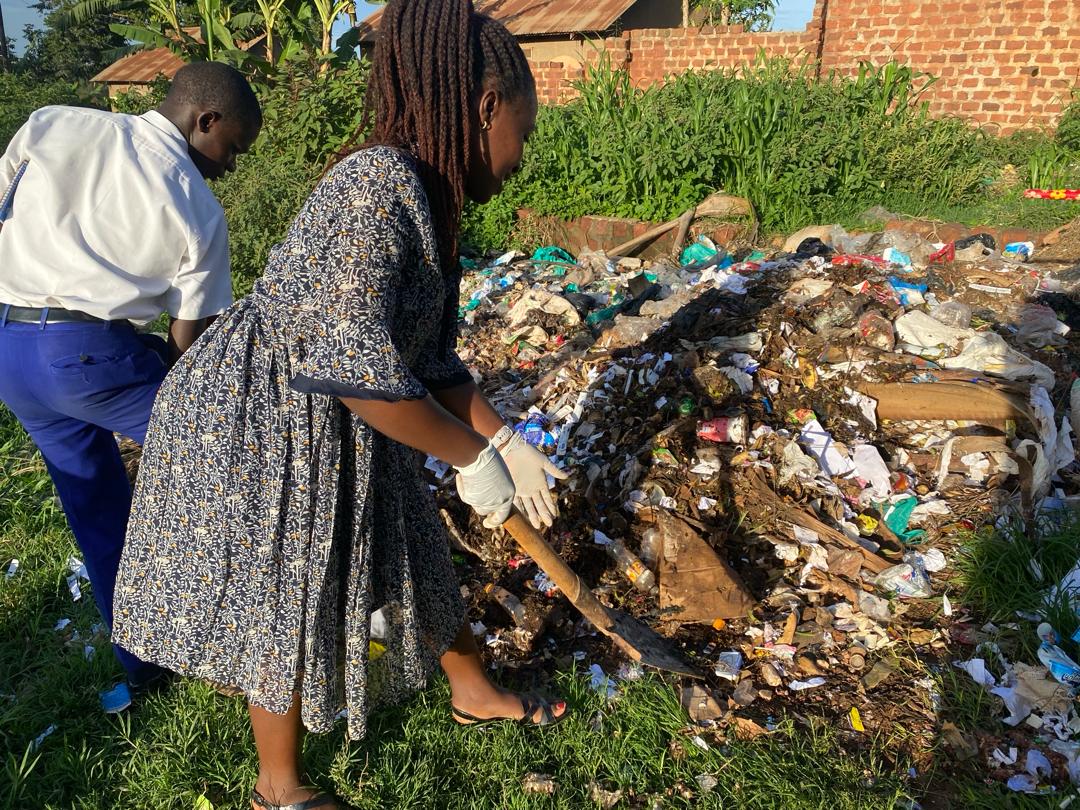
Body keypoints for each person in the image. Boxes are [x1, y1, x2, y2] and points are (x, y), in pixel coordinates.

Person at [112, 1, 567, 808]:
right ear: (487, 107)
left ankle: (473, 690)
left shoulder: (428, 197)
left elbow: (426, 362)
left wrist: (507, 442)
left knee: (414, 547)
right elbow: (351, 365)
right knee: (289, 586)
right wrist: (470, 458)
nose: (521, 159)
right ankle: (278, 789)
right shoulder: (375, 184)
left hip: (346, 413)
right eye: (523, 136)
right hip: (263, 415)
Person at [0, 62, 262, 712]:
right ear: (206, 121)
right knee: (234, 470)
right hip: (89, 355)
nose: (229, 167)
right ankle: (250, 635)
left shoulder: (52, 123)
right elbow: (187, 346)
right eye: (231, 148)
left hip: (9, 350)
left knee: (98, 512)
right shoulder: (198, 208)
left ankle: (144, 667)